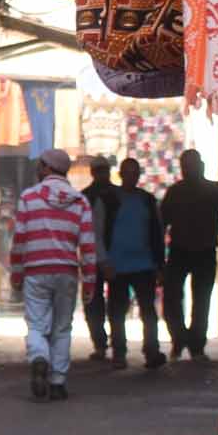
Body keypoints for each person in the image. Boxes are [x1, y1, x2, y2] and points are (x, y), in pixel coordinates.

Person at [7, 148, 98, 403]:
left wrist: (16, 272)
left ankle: (39, 358)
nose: (37, 169)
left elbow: (20, 239)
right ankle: (58, 382)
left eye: (40, 165)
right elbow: (88, 246)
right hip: (66, 272)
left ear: (47, 168)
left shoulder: (29, 197)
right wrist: (89, 281)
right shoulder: (80, 202)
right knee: (62, 327)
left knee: (36, 324)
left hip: (36, 271)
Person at [159, 149, 218, 361]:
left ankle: (185, 341)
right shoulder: (212, 191)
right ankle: (190, 343)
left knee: (184, 299)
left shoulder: (179, 192)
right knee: (195, 299)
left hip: (190, 251)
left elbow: (163, 222)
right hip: (193, 251)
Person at [104, 157, 166, 368]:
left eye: (135, 173)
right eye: (128, 172)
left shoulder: (147, 200)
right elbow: (101, 231)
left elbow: (157, 233)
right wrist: (104, 261)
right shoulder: (110, 200)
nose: (132, 177)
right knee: (116, 312)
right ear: (121, 174)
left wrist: (159, 265)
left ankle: (152, 350)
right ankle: (119, 353)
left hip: (144, 264)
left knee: (148, 311)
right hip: (117, 265)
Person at [79, 156, 123, 363]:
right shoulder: (115, 195)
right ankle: (107, 345)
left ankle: (105, 345)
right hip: (105, 256)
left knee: (100, 303)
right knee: (108, 303)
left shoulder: (85, 197)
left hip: (101, 256)